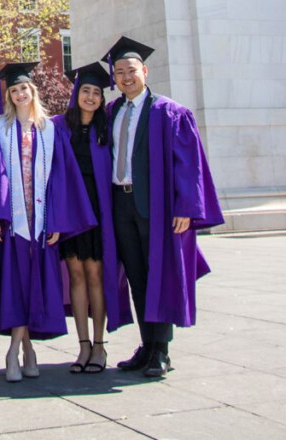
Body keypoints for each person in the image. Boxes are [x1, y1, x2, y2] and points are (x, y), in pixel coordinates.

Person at [103, 35, 224, 378]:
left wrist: (186, 207)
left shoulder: (170, 112)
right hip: (120, 204)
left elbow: (188, 165)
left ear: (145, 70)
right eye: (119, 72)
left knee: (160, 274)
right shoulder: (111, 111)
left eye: (131, 70)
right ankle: (146, 345)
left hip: (156, 208)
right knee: (138, 278)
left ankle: (161, 351)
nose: (125, 77)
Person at [0, 63, 97, 381]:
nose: (19, 93)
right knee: (17, 287)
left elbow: (61, 178)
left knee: (33, 287)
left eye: (23, 88)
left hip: (41, 221)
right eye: (13, 90)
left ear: (32, 91)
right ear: (9, 96)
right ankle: (20, 351)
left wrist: (57, 220)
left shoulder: (50, 129)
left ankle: (22, 351)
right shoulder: (1, 128)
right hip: (14, 223)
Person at [56, 62, 132, 373]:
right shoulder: (60, 127)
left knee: (96, 278)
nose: (90, 96)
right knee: (76, 277)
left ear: (102, 99)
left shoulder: (107, 129)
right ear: (76, 94)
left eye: (96, 93)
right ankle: (83, 346)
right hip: (71, 214)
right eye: (85, 91)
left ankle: (100, 347)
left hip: (99, 214)